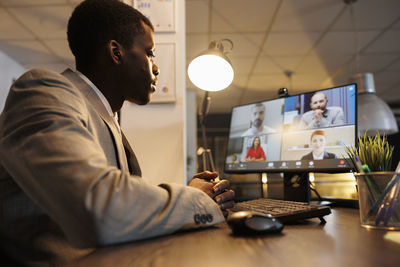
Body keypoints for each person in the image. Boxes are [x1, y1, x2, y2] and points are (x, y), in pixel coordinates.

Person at [0, 0, 234, 265]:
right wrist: (195, 200)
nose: (156, 67)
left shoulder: (107, 118)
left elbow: (117, 202)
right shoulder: (43, 90)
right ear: (116, 52)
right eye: (150, 53)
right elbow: (99, 209)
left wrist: (193, 194)